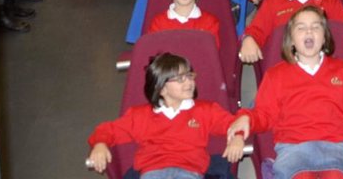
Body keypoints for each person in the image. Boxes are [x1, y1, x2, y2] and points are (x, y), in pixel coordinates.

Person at [230, 6, 343, 179]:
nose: (309, 31)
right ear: (291, 40)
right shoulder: (275, 75)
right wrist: (246, 119)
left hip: (335, 147)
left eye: (315, 27)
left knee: (335, 176)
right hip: (294, 149)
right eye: (301, 28)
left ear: (324, 38)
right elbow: (263, 113)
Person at [86, 53, 244, 176]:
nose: (189, 82)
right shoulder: (140, 115)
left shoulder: (205, 110)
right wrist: (100, 144)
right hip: (152, 172)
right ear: (161, 88)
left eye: (190, 76)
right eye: (180, 79)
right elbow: (108, 130)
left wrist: (237, 137)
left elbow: (235, 123)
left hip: (189, 172)